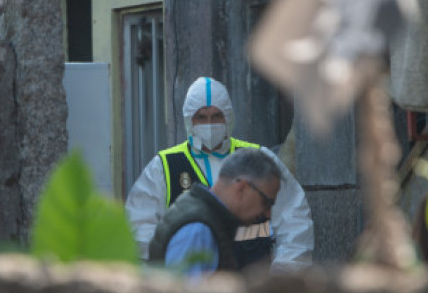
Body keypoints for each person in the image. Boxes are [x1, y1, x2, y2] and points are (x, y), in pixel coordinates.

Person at [126, 76, 314, 272]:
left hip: (255, 283)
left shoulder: (259, 159)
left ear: (229, 118)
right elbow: (139, 232)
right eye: (201, 117)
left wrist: (282, 278)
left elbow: (295, 221)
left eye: (217, 116)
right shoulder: (163, 166)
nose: (209, 123)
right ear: (189, 120)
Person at [149, 148, 282, 276]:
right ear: (242, 189)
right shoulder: (198, 230)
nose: (268, 214)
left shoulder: (205, 216)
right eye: (266, 203)